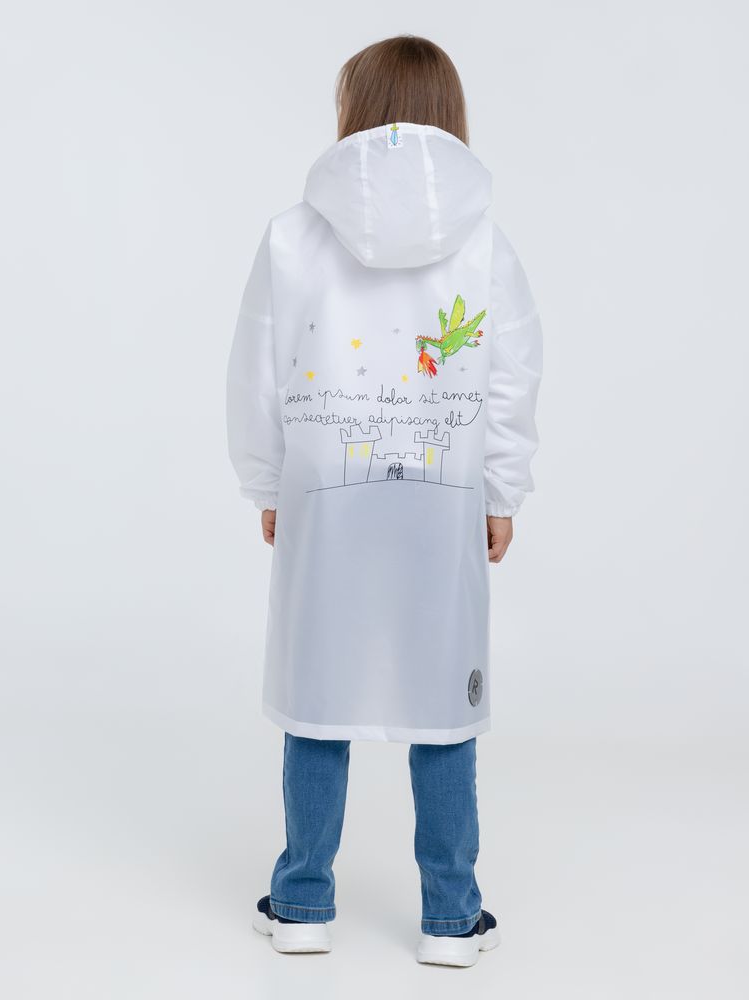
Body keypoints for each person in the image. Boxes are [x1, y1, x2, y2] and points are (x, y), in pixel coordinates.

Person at [226, 34, 542, 968]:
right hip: (441, 501)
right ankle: (451, 917)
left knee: (317, 695)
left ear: (352, 113)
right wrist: (501, 489)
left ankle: (301, 903)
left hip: (327, 497)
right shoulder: (484, 241)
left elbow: (257, 371)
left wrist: (267, 479)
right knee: (442, 701)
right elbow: (511, 374)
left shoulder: (293, 236)